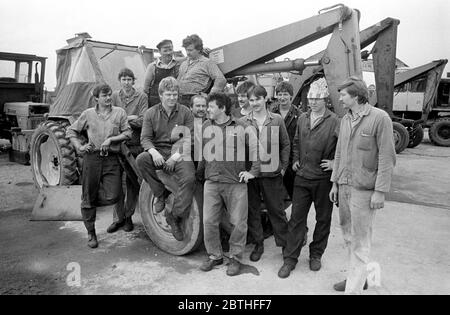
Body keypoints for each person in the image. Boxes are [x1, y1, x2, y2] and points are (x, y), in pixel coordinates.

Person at [329, 76, 396, 294]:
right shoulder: (345, 119)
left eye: (343, 95)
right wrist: (335, 184)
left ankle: (353, 290)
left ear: (356, 96)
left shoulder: (379, 118)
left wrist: (380, 191)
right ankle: (356, 278)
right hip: (345, 187)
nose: (340, 99)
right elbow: (339, 153)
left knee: (360, 243)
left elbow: (387, 157)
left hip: (365, 191)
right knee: (348, 237)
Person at [280, 78, 340, 278]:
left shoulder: (334, 121)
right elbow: (296, 141)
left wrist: (334, 164)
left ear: (325, 100)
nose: (312, 102)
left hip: (323, 179)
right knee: (297, 219)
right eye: (310, 98)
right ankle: (290, 258)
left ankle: (316, 254)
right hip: (302, 177)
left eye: (317, 98)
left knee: (323, 219)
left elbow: (343, 148)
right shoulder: (303, 118)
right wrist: (296, 159)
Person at [197, 92, 260, 276]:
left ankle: (235, 258)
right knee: (209, 221)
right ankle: (215, 255)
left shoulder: (242, 126)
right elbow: (203, 153)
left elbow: (257, 150)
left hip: (235, 182)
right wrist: (200, 174)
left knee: (238, 223)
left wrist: (253, 172)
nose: (207, 109)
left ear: (223, 108)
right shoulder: (207, 125)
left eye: (211, 106)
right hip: (212, 181)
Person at [67, 83, 132, 248]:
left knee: (115, 195)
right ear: (96, 98)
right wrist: (80, 147)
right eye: (104, 95)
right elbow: (71, 131)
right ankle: (91, 232)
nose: (109, 98)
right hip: (92, 158)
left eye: (109, 94)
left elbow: (128, 133)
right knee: (88, 197)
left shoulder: (119, 112)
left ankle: (95, 203)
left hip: (111, 158)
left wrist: (111, 139)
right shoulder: (88, 114)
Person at [136, 77, 195, 241]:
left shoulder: (185, 112)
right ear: (160, 95)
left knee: (190, 179)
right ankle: (160, 194)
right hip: (159, 151)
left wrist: (175, 158)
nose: (172, 98)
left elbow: (189, 138)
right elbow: (145, 138)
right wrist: (154, 152)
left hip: (180, 152)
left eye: (175, 94)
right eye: (168, 94)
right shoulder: (151, 113)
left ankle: (175, 216)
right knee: (141, 159)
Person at [241, 85, 290, 264]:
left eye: (258, 99)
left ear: (265, 99)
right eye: (251, 100)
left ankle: (285, 246)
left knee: (276, 210)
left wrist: (283, 167)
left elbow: (285, 144)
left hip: (271, 173)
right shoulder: (244, 121)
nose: (254, 103)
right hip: (252, 175)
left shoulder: (276, 119)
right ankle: (258, 244)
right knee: (253, 210)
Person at [109, 68, 148, 233]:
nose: (126, 82)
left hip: (134, 144)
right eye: (123, 79)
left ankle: (129, 217)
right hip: (116, 145)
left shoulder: (142, 97)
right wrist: (131, 118)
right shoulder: (114, 97)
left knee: (132, 182)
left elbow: (144, 120)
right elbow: (109, 118)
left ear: (134, 81)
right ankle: (118, 219)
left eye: (129, 79)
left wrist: (124, 120)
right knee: (116, 182)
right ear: (120, 81)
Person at [177, 34, 227, 106]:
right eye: (186, 50)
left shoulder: (207, 62)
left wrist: (210, 97)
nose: (187, 53)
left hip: (195, 100)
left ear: (199, 49)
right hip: (180, 100)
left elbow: (221, 79)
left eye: (190, 50)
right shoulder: (184, 64)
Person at [271, 81, 299, 199]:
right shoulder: (270, 113)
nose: (282, 98)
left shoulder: (299, 115)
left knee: (294, 192)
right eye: (280, 94)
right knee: (273, 193)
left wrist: (296, 160)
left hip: (291, 160)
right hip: (274, 158)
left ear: (291, 96)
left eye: (285, 94)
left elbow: (300, 140)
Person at [144, 39, 181, 107]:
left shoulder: (178, 65)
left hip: (172, 102)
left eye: (170, 50)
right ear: (159, 52)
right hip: (155, 102)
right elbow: (146, 89)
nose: (168, 53)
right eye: (165, 51)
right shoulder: (152, 66)